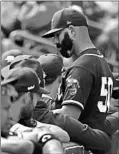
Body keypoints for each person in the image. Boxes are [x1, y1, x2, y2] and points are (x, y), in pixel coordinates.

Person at [42, 5, 119, 153]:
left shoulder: (82, 67)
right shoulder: (100, 60)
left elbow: (69, 117)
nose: (55, 42)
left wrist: (38, 112)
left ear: (71, 31)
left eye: (57, 35)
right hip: (96, 142)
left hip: (85, 147)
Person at [1, 67, 66, 154]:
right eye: (38, 96)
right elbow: (22, 146)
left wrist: (43, 136)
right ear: (26, 98)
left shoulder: (15, 122)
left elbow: (52, 133)